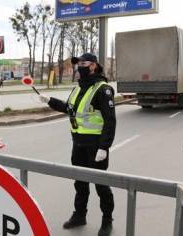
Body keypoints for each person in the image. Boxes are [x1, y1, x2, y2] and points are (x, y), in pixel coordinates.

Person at [39, 53, 116, 236]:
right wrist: (50, 101)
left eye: (83, 63)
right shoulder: (78, 88)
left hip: (95, 146)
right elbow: (70, 109)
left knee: (100, 185)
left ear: (93, 66)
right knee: (80, 183)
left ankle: (107, 220)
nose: (79, 66)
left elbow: (110, 121)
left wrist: (104, 147)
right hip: (78, 144)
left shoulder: (102, 89)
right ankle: (80, 215)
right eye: (77, 63)